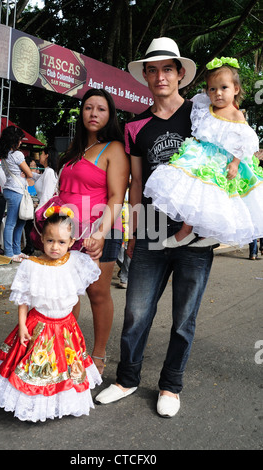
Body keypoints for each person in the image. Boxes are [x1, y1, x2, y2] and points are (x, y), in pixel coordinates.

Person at [95, 37, 214, 418]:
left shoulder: (200, 115)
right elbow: (135, 183)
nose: (160, 75)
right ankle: (127, 378)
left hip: (196, 236)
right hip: (150, 232)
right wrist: (132, 231)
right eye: (153, 69)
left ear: (180, 73)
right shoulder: (135, 127)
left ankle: (170, 385)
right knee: (137, 312)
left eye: (168, 68)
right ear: (145, 76)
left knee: (184, 317)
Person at [31, 89, 130, 374]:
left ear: (110, 114)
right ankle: (67, 351)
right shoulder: (73, 151)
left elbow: (116, 196)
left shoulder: (113, 149)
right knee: (67, 294)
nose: (94, 114)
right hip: (67, 234)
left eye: (100, 109)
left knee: (98, 294)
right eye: (88, 108)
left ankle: (98, 356)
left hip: (100, 231)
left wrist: (99, 233)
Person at [0, 208, 102, 422]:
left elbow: (92, 272)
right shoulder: (31, 266)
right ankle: (35, 405)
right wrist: (21, 326)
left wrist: (91, 249)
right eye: (50, 241)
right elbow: (23, 300)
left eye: (61, 242)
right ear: (41, 238)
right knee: (37, 369)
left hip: (67, 326)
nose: (55, 247)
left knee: (65, 368)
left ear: (71, 241)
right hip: (39, 325)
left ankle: (61, 403)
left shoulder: (75, 261)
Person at [144, 56, 261, 248]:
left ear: (236, 89)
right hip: (201, 156)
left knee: (216, 199)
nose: (218, 93)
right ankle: (185, 231)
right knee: (194, 195)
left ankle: (211, 233)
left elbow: (244, 140)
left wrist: (235, 162)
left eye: (224, 88)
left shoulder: (235, 113)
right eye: (212, 89)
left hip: (222, 161)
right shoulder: (205, 107)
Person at [0, 126, 40, 262]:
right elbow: (28, 173)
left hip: (10, 190)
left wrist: (23, 172)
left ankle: (16, 251)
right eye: (20, 140)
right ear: (14, 140)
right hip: (17, 190)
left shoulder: (4, 156)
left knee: (19, 222)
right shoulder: (18, 155)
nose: (21, 142)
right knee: (12, 223)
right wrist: (25, 173)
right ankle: (9, 252)